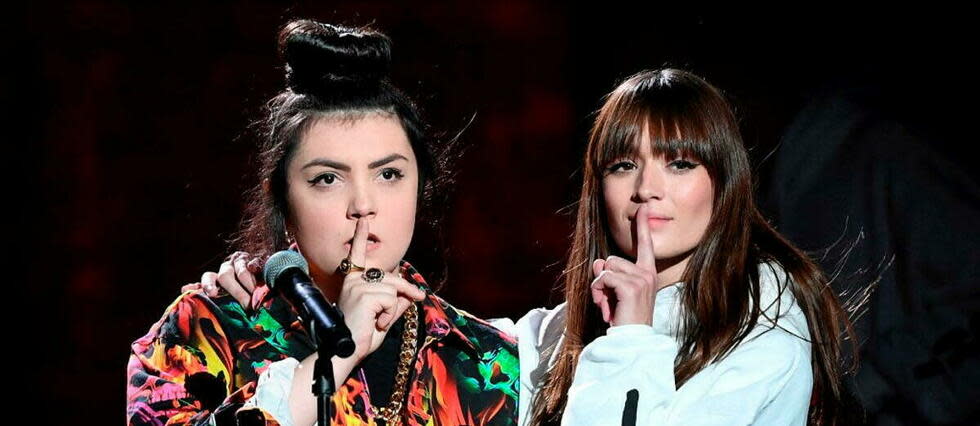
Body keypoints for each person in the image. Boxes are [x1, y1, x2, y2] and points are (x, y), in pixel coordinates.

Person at [207, 68, 862, 425]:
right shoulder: (561, 336)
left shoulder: (763, 337)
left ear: (725, 183)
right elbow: (463, 352)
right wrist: (291, 296)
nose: (647, 192)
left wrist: (632, 345)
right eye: (623, 166)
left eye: (681, 164)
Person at [125, 20, 519, 426]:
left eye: (389, 175)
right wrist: (334, 357)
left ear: (421, 187)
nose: (364, 206)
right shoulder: (208, 330)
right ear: (281, 199)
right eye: (327, 179)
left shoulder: (484, 360)